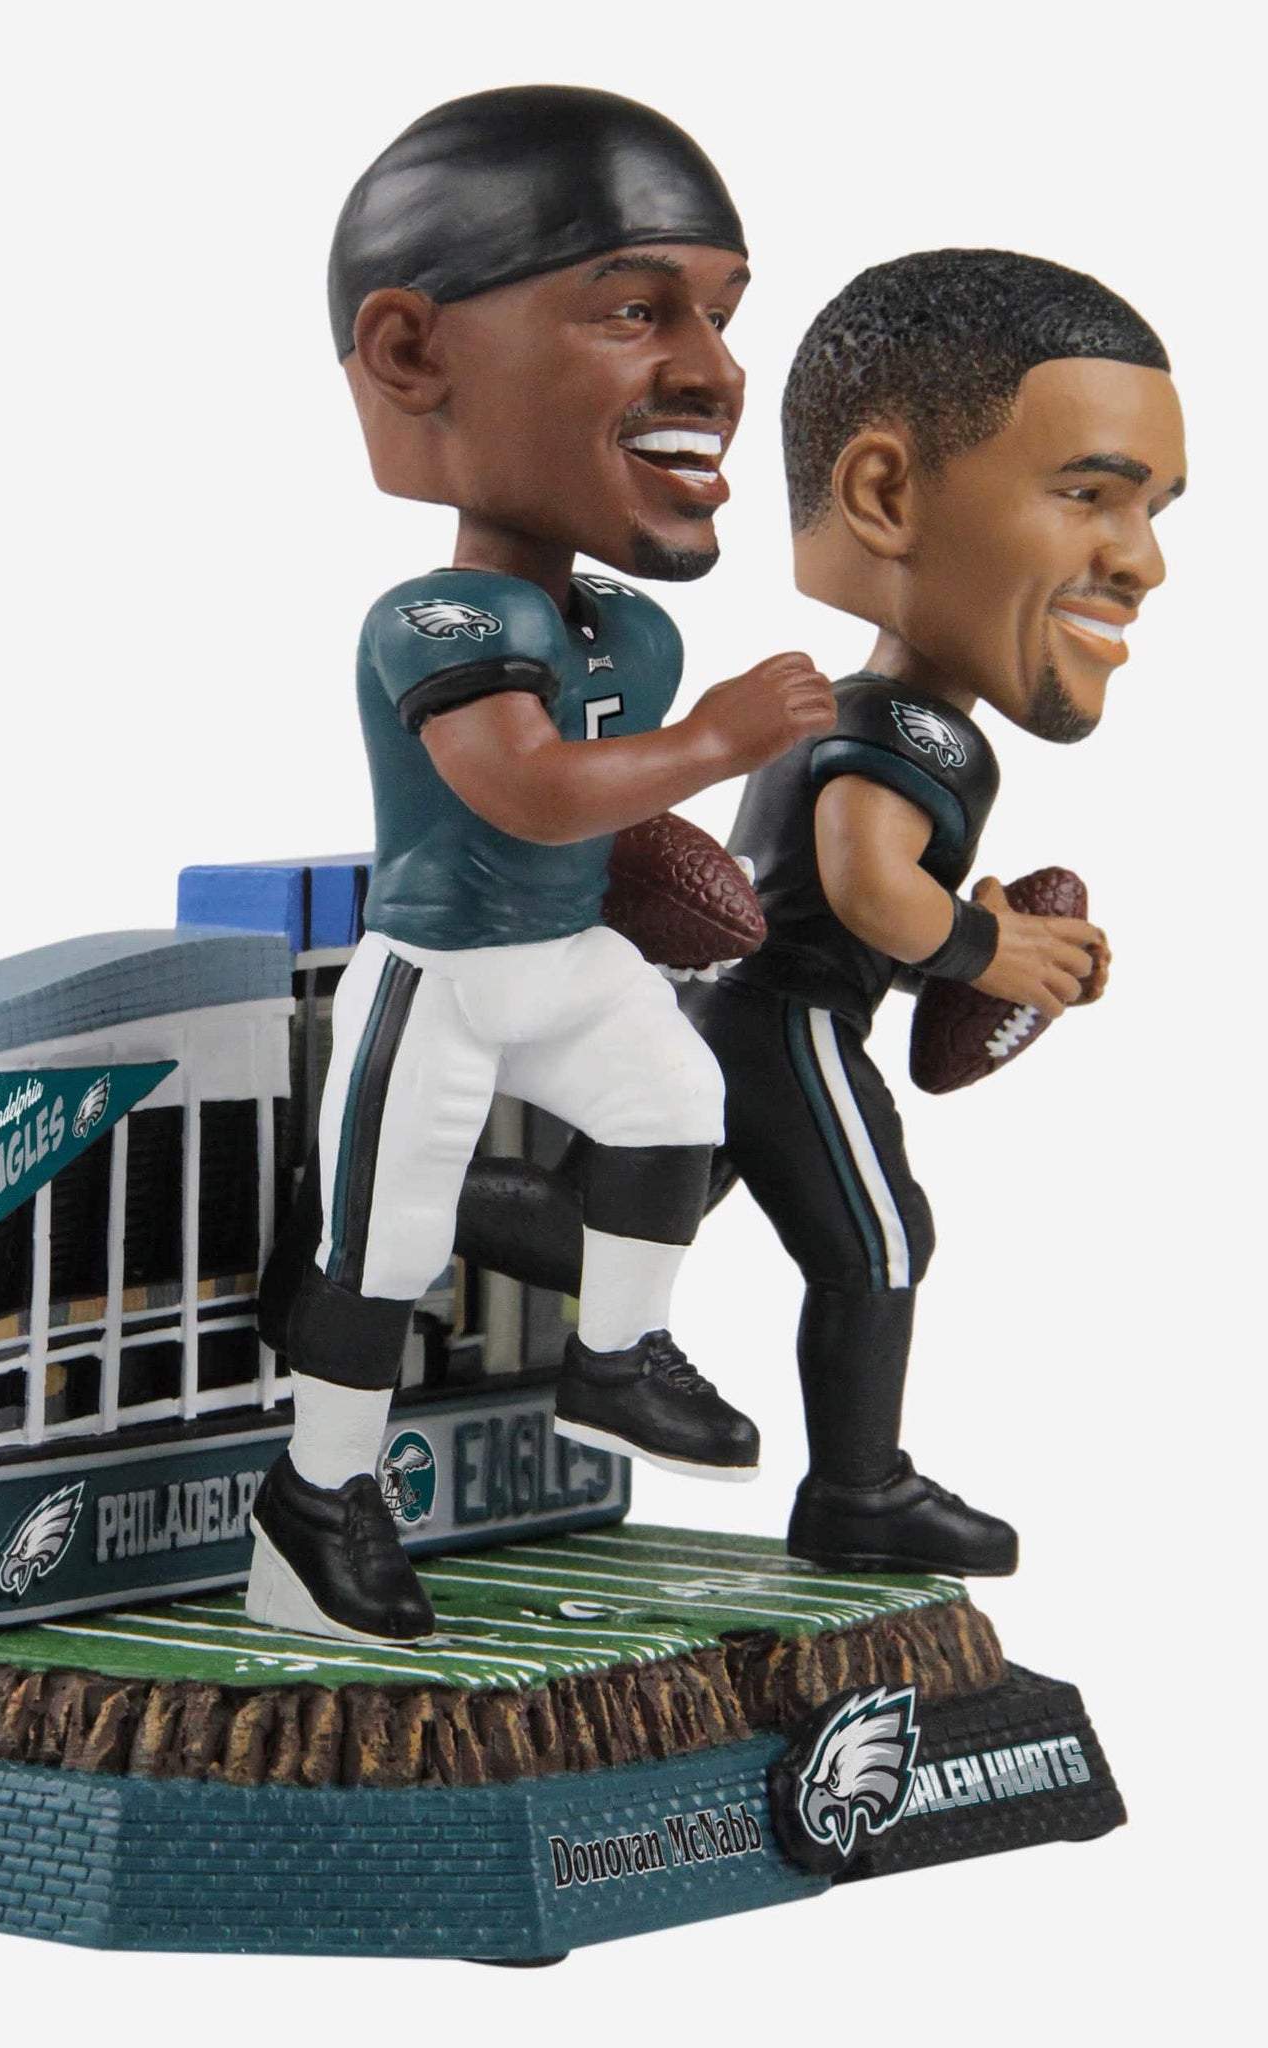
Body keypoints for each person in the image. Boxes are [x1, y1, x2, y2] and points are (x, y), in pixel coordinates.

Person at [245, 86, 836, 1646]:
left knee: (677, 1103)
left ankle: (614, 1355)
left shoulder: (627, 629)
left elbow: (606, 824)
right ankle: (317, 1495)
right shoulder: (434, 618)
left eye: (720, 316)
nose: (714, 368)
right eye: (638, 309)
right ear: (413, 355)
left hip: (568, 954)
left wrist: (697, 870)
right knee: (386, 1250)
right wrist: (714, 744)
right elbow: (524, 787)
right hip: (438, 970)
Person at [688, 248, 1187, 1575]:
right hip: (787, 1024)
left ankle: (399, 1232)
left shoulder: (859, 712)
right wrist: (988, 948)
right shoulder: (910, 726)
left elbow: (847, 903)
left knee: (627, 1215)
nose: (1142, 560)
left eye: (1155, 511)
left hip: (735, 1011)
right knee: (878, 1238)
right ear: (886, 496)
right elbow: (863, 883)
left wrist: (968, 957)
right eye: (1090, 493)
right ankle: (859, 1491)